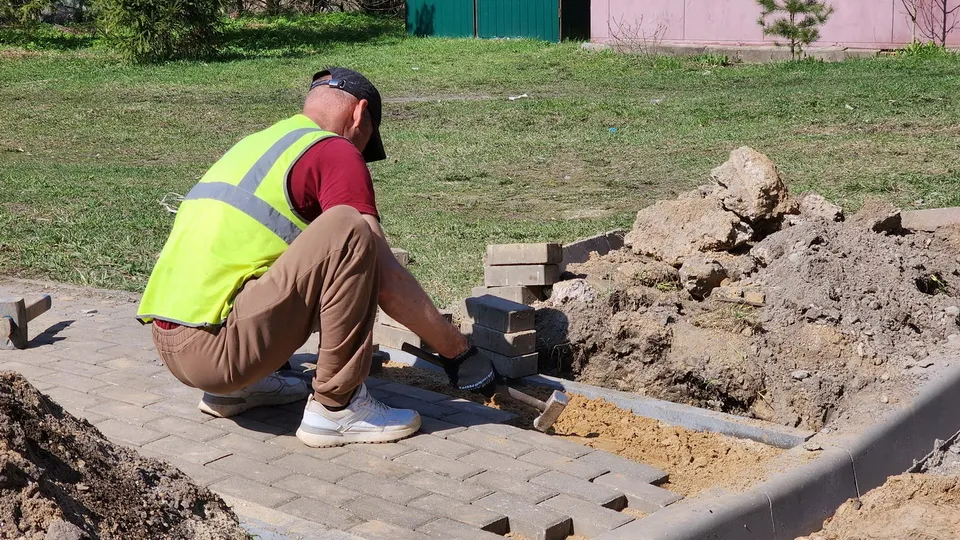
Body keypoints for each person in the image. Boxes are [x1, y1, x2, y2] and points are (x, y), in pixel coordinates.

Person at [136, 67, 495, 448]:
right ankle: (338, 409)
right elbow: (387, 277)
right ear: (358, 114)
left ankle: (243, 388)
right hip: (218, 352)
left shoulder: (258, 144)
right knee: (350, 229)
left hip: (172, 344)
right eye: (366, 141)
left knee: (303, 245)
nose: (360, 152)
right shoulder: (334, 149)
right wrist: (459, 353)